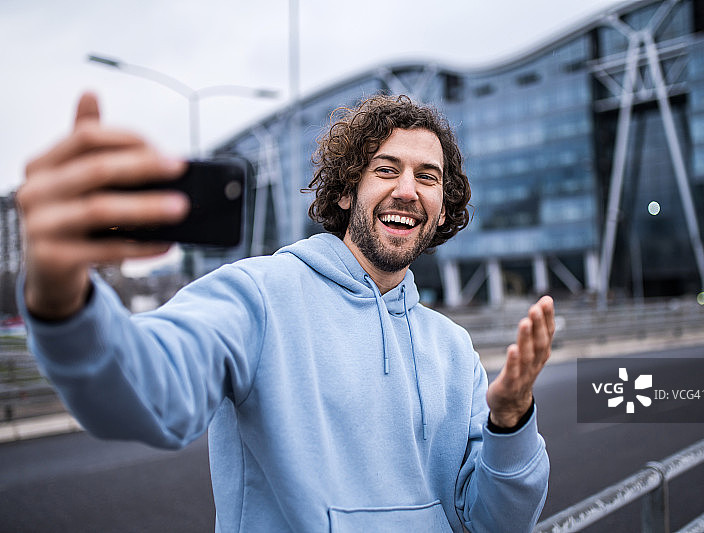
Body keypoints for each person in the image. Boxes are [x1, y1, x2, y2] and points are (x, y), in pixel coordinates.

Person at [16, 92, 555, 532]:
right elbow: (142, 392)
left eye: (428, 176)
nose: (408, 190)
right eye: (386, 169)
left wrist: (510, 421)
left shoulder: (453, 348)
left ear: (442, 208)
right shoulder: (257, 295)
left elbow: (494, 523)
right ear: (346, 192)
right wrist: (62, 295)